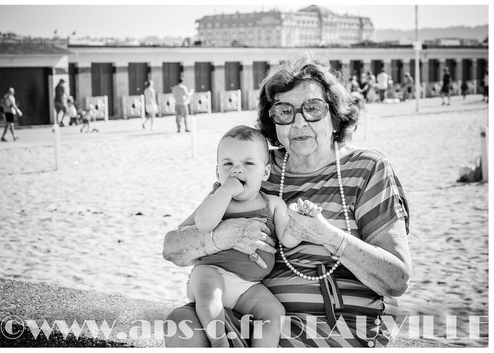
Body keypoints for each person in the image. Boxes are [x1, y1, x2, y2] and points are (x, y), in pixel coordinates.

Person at [163, 53, 412, 348]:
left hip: (340, 329)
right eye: (284, 111)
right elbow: (173, 249)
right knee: (182, 325)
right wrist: (219, 237)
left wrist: (329, 237)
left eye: (313, 108)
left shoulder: (368, 168)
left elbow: (396, 279)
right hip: (253, 321)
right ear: (273, 122)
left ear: (334, 114)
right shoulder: (254, 168)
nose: (299, 122)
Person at [187, 125, 321, 347]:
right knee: (209, 296)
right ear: (217, 172)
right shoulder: (218, 199)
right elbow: (203, 224)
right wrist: (225, 191)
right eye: (228, 164)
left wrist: (301, 222)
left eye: (248, 163)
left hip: (247, 285)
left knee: (274, 311)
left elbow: (287, 239)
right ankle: (220, 345)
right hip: (211, 273)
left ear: (265, 172)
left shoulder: (273, 204)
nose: (237, 171)